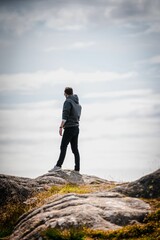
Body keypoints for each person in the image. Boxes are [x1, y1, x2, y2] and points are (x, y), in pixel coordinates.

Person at [49, 87, 82, 172]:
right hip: (76, 128)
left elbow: (65, 116)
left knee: (63, 146)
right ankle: (77, 169)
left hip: (69, 128)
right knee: (75, 149)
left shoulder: (68, 102)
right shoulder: (77, 103)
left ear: (65, 93)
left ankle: (58, 166)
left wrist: (61, 127)